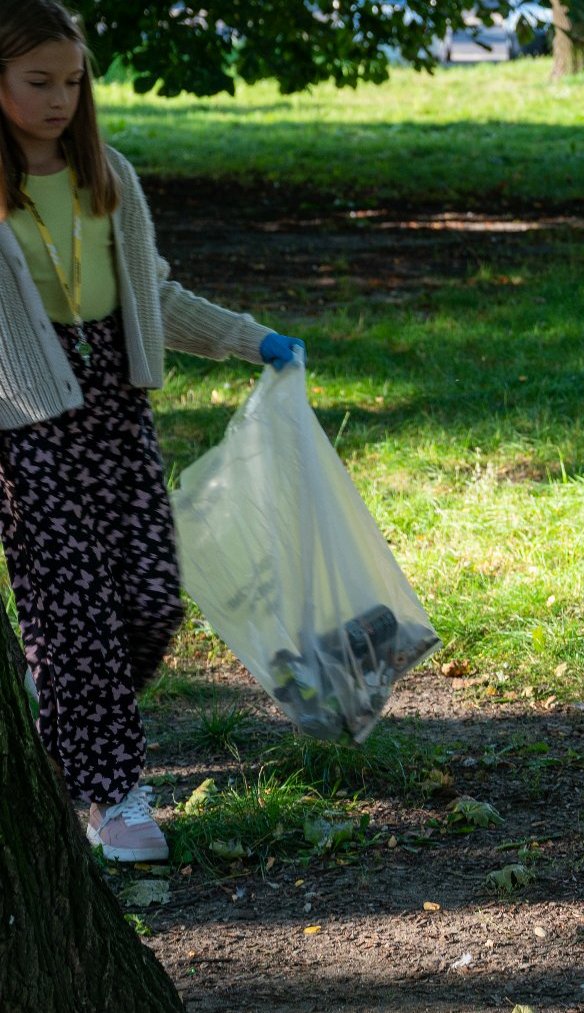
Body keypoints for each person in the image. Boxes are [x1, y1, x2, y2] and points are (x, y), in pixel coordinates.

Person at [0, 0, 305, 862]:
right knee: (75, 616)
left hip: (115, 414)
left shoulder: (109, 176)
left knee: (147, 600)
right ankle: (110, 795)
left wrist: (252, 340)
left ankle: (59, 705)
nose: (59, 99)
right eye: (37, 82)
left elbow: (156, 297)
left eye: (72, 81)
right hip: (22, 425)